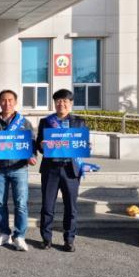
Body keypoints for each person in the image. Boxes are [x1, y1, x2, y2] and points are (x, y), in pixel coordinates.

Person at [0, 89, 37, 251]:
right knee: (0, 203)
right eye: (3, 100)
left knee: (21, 204)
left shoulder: (24, 123)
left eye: (10, 100)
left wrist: (32, 156)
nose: (7, 103)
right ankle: (4, 233)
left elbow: (31, 143)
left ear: (15, 102)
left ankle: (19, 236)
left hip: (19, 168)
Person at [36, 89, 88, 252]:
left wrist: (86, 145)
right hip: (50, 169)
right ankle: (46, 239)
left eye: (65, 101)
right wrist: (41, 145)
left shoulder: (79, 122)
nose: (61, 104)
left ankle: (69, 239)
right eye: (58, 101)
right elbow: (39, 144)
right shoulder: (46, 121)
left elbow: (83, 144)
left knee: (70, 207)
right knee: (47, 206)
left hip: (70, 170)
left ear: (71, 103)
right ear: (54, 103)